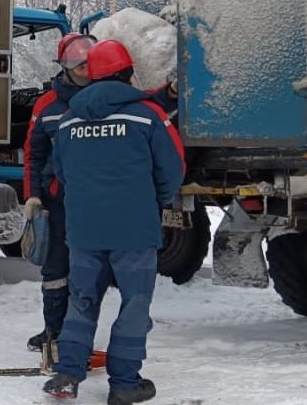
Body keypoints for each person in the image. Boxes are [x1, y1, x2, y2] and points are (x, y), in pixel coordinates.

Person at [43, 40, 185, 405]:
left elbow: (61, 173)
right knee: (134, 302)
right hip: (134, 229)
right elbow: (172, 169)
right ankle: (124, 383)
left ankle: (68, 372)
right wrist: (153, 200)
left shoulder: (69, 119)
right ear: (127, 74)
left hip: (84, 228)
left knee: (82, 300)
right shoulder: (148, 116)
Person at [23, 33, 97, 352]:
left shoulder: (105, 98)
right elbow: (34, 153)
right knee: (55, 269)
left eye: (89, 63)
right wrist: (33, 195)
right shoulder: (47, 105)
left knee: (89, 269)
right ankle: (53, 331)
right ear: (65, 66)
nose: (85, 69)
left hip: (95, 201)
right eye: (78, 64)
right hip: (57, 200)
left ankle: (78, 334)